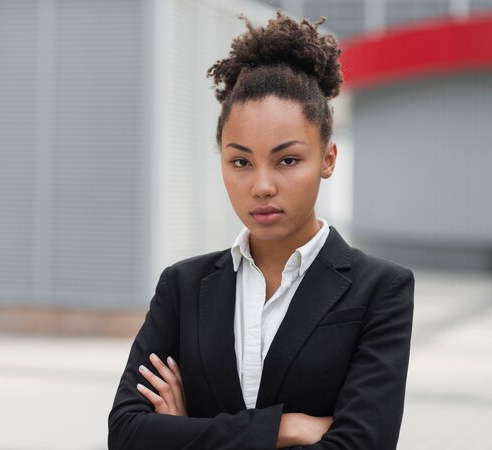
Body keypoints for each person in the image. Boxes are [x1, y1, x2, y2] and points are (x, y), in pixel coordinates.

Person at [108, 11, 414, 450]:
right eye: (240, 161)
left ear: (328, 159)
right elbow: (125, 435)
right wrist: (282, 429)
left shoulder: (380, 290)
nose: (262, 185)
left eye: (287, 160)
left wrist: (185, 433)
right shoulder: (183, 286)